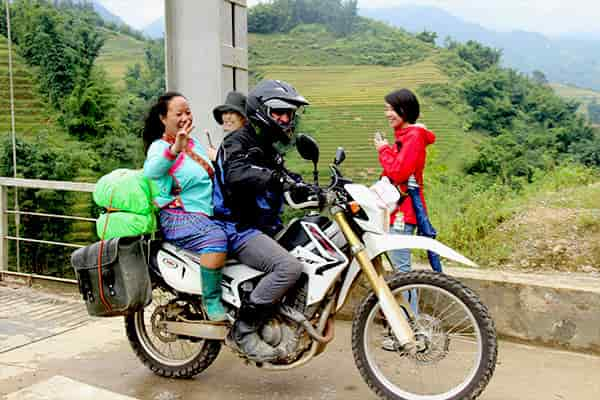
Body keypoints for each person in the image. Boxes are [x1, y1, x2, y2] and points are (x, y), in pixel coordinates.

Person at [214, 79, 315, 362]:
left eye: (289, 114)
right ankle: (243, 331)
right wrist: (276, 178)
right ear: (261, 111)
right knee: (287, 267)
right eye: (279, 112)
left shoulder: (266, 146)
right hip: (237, 228)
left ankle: (280, 318)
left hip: (261, 227)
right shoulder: (237, 141)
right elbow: (236, 174)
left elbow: (283, 173)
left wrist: (311, 186)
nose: (286, 118)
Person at [142, 92, 229, 322]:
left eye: (187, 112)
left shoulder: (195, 144)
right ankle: (211, 301)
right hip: (178, 215)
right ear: (163, 118)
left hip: (205, 214)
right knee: (216, 238)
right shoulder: (159, 147)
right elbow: (151, 171)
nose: (185, 117)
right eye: (178, 113)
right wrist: (174, 149)